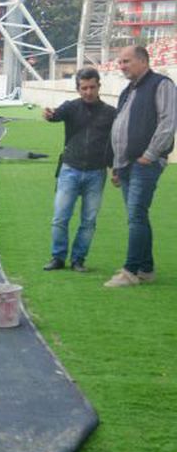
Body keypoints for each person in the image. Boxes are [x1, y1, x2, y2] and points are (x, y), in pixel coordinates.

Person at [104, 45, 175, 287]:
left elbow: (168, 122)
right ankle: (146, 269)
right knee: (138, 216)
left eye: (126, 61)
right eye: (120, 62)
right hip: (126, 164)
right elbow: (119, 129)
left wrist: (150, 154)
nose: (121, 66)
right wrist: (117, 167)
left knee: (135, 216)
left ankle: (130, 271)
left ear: (143, 61)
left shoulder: (161, 84)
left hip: (145, 163)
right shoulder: (127, 91)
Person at [42, 67, 116, 272]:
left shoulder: (111, 113)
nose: (88, 92)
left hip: (97, 173)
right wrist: (48, 114)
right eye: (84, 88)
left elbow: (116, 142)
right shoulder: (70, 107)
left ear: (99, 86)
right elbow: (54, 115)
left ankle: (78, 260)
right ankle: (58, 258)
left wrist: (116, 167)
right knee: (60, 218)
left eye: (92, 87)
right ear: (78, 89)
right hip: (69, 170)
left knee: (89, 221)